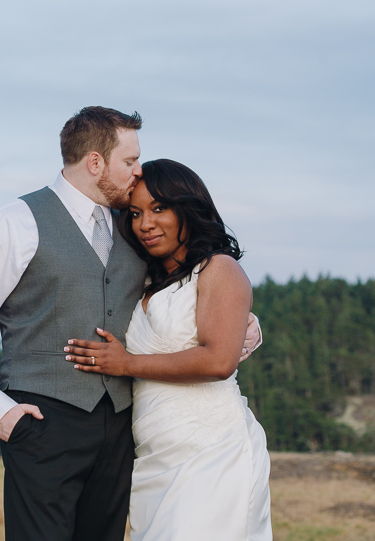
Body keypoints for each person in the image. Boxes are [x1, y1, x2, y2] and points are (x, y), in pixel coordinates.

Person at [0, 107, 261, 541]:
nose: (137, 171)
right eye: (129, 161)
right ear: (95, 162)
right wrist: (0, 413)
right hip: (42, 419)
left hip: (123, 427)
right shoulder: (15, 221)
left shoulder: (132, 229)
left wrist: (247, 326)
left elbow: (179, 297)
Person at [63, 159, 272, 540]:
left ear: (189, 208)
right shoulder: (145, 280)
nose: (145, 224)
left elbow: (218, 360)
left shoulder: (218, 269)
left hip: (212, 450)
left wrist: (126, 364)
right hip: (154, 455)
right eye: (136, 213)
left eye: (160, 209)